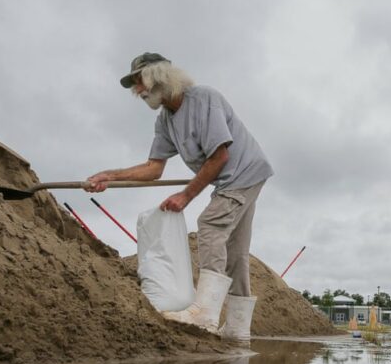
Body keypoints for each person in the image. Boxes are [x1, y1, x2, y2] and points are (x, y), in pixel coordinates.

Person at [86, 52, 273, 343]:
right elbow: (153, 169)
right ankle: (237, 329)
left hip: (242, 172)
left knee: (210, 224)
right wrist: (110, 176)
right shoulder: (165, 121)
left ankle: (205, 315)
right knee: (236, 252)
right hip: (235, 178)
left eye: (139, 82)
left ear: (158, 76)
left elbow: (220, 156)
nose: (138, 91)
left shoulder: (203, 99)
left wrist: (186, 195)